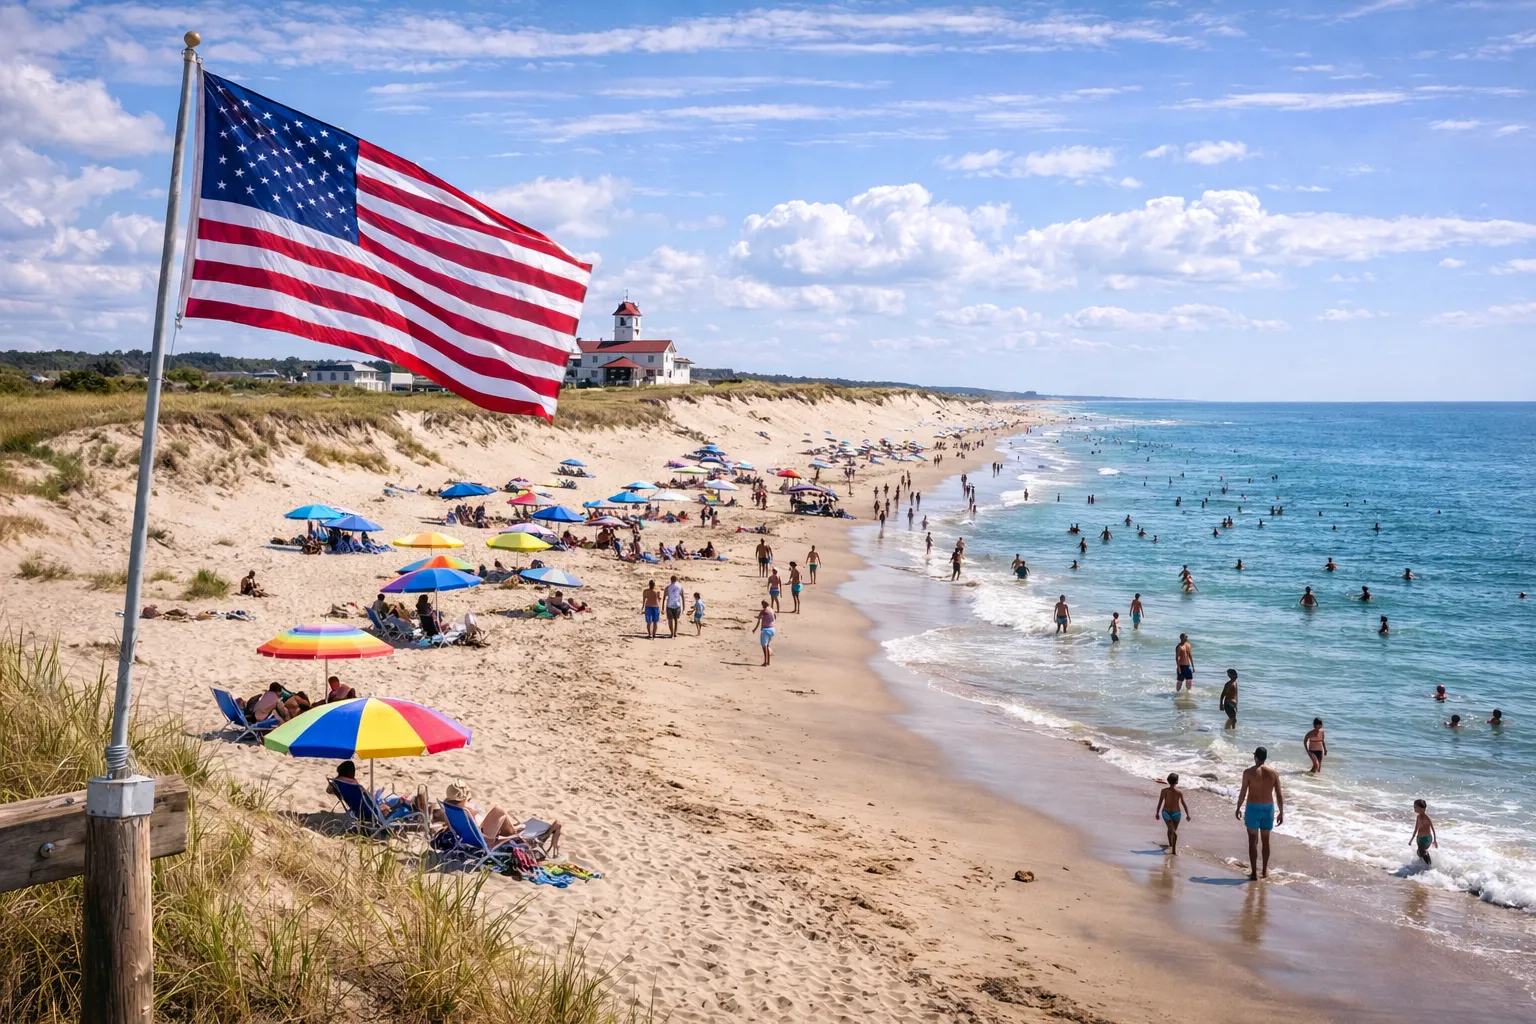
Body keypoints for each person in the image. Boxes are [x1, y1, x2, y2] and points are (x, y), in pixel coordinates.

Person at [442, 780, 561, 856]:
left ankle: (514, 829)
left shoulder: (449, 807)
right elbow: (474, 818)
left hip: (467, 837)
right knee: (499, 810)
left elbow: (454, 823)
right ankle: (515, 833)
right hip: (484, 840)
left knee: (499, 816)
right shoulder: (466, 811)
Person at [1235, 747, 1284, 880]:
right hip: (1268, 809)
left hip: (1253, 808)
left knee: (1252, 841)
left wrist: (1238, 807)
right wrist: (1281, 812)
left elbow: (1243, 792)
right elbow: (1279, 795)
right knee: (1266, 841)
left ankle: (1254, 873)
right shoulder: (1274, 773)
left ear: (1255, 756)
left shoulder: (1248, 772)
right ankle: (1264, 871)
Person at [329, 760, 426, 819]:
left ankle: (409, 802)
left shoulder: (339, 783)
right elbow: (368, 800)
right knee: (400, 807)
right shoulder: (355, 785)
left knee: (390, 800)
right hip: (373, 814)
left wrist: (339, 778)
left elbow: (328, 789)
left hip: (363, 810)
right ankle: (414, 809)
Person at [1156, 773, 1192, 855]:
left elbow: (1160, 803)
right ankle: (1173, 850)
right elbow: (1183, 804)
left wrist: (1157, 812)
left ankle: (1171, 846)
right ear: (1177, 782)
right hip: (1174, 813)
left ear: (1168, 781)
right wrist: (1187, 814)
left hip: (1168, 812)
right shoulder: (1177, 792)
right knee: (1172, 830)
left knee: (1171, 830)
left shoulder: (1167, 791)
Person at [1411, 799, 1437, 865]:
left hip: (1427, 838)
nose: (1414, 808)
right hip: (1419, 839)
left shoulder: (1427, 818)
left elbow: (1433, 829)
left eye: (1415, 807)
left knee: (1422, 851)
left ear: (1421, 808)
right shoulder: (1418, 817)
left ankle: (1429, 866)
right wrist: (1411, 839)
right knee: (1419, 853)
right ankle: (1422, 868)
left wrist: (1435, 840)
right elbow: (1416, 829)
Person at [753, 600, 777, 666]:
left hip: (766, 630)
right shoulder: (772, 609)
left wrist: (755, 628)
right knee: (767, 645)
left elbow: (759, 619)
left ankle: (765, 662)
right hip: (772, 629)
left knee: (764, 646)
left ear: (763, 605)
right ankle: (768, 661)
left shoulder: (763, 611)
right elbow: (775, 617)